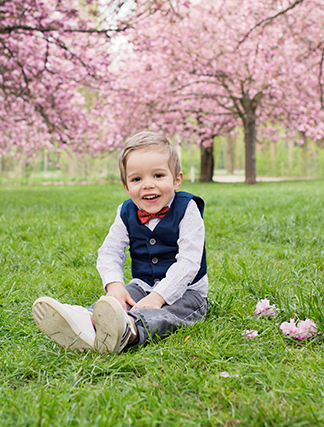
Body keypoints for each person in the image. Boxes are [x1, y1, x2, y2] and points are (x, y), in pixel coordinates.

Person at [32, 132, 208, 354]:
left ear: (177, 180)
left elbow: (189, 262)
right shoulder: (126, 211)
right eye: (137, 179)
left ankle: (128, 331)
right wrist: (114, 285)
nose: (148, 185)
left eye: (158, 175)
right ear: (126, 186)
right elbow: (110, 251)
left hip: (189, 292)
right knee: (115, 303)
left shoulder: (187, 209)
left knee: (165, 314)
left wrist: (158, 297)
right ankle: (83, 321)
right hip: (143, 284)